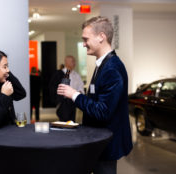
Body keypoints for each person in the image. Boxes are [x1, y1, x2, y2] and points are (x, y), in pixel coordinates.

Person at [57, 16, 133, 174]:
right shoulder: (103, 64)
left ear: (101, 37)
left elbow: (103, 111)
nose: (84, 44)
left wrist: (75, 95)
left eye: (86, 39)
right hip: (99, 141)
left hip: (107, 144)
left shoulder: (112, 68)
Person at [50, 55, 84, 122]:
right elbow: (53, 88)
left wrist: (79, 93)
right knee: (64, 123)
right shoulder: (59, 74)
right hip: (63, 104)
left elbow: (81, 87)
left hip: (73, 103)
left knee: (72, 122)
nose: (74, 63)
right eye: (72, 61)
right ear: (66, 62)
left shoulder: (76, 75)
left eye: (75, 61)